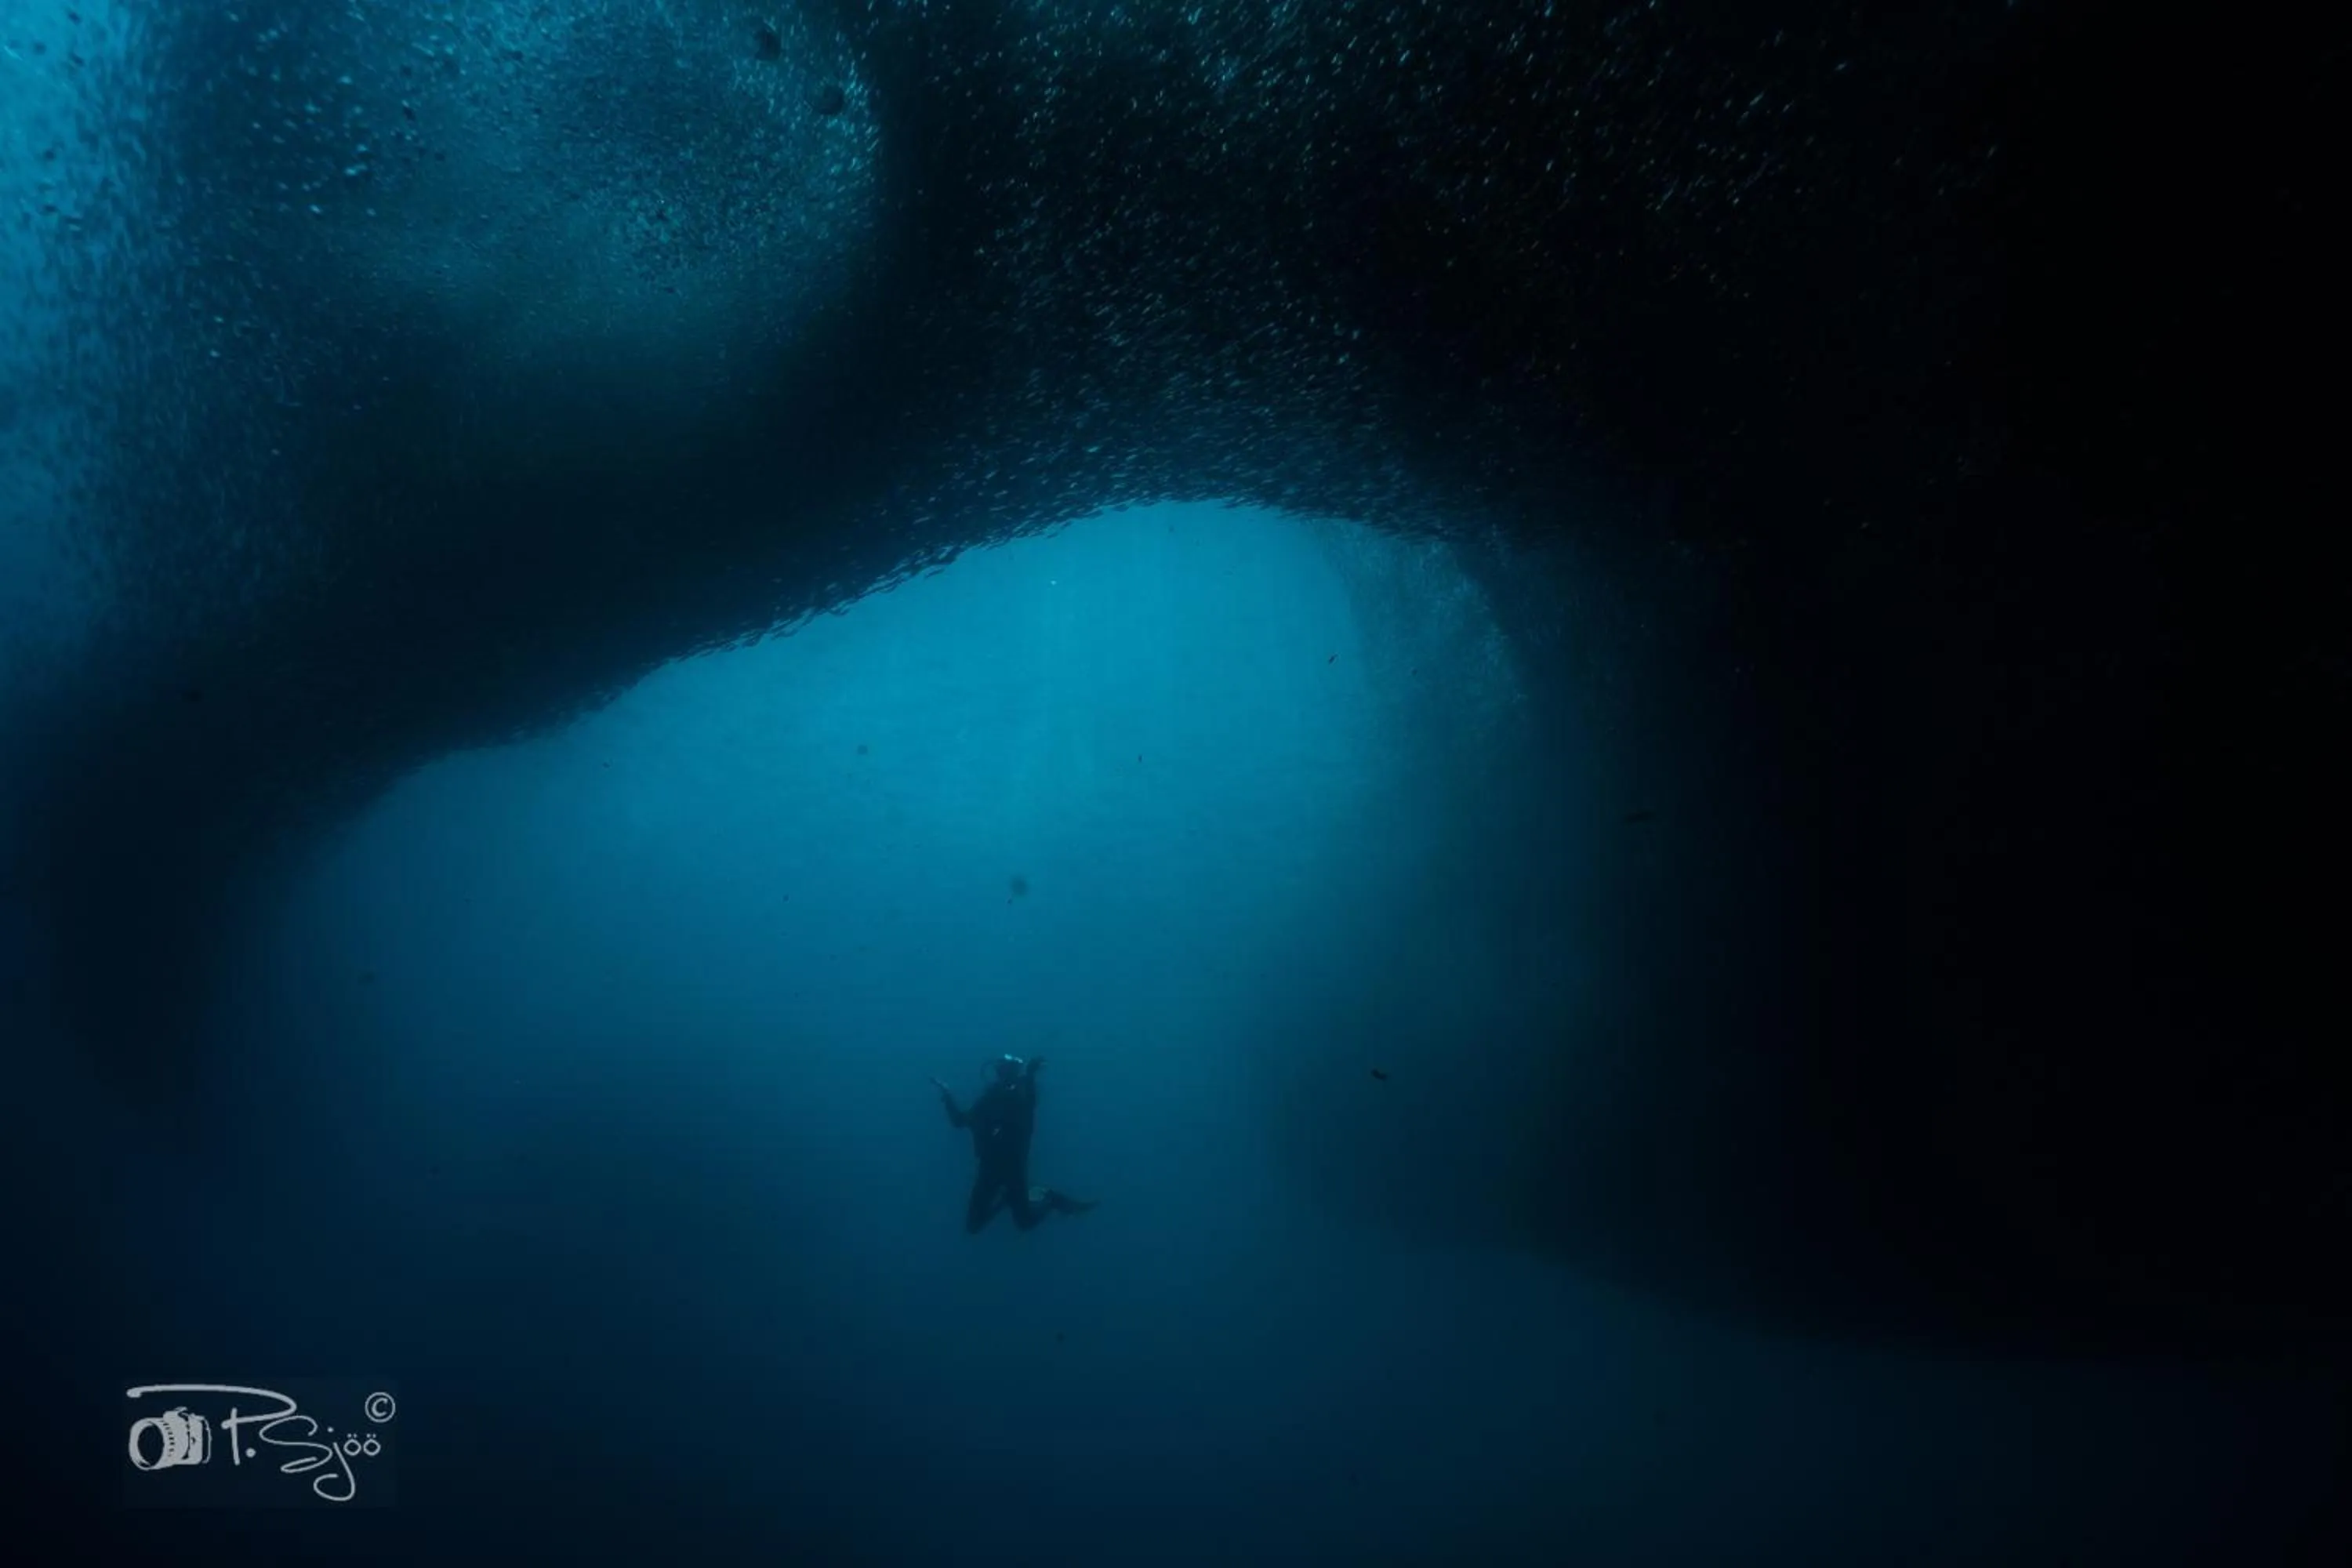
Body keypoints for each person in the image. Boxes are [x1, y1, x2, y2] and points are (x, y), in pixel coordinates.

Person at [931, 1054, 1096, 1233]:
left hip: (1014, 1169)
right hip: (989, 1169)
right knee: (973, 1226)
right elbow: (960, 1120)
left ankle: (1049, 1199)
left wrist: (1031, 1075)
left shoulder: (1020, 1096)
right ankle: (1012, 1198)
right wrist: (946, 1094)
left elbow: (1030, 1103)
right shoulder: (990, 1099)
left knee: (1024, 1222)